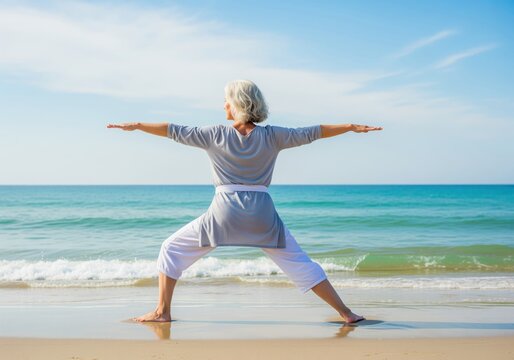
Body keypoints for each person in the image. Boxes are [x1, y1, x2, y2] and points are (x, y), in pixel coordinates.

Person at [107, 79, 382, 324]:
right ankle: (346, 313)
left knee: (171, 249)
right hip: (262, 214)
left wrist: (138, 125)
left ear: (236, 104)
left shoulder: (214, 133)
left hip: (224, 212)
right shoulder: (274, 135)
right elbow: (314, 132)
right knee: (301, 263)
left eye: (226, 99)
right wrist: (350, 127)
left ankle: (162, 311)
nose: (223, 104)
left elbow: (172, 130)